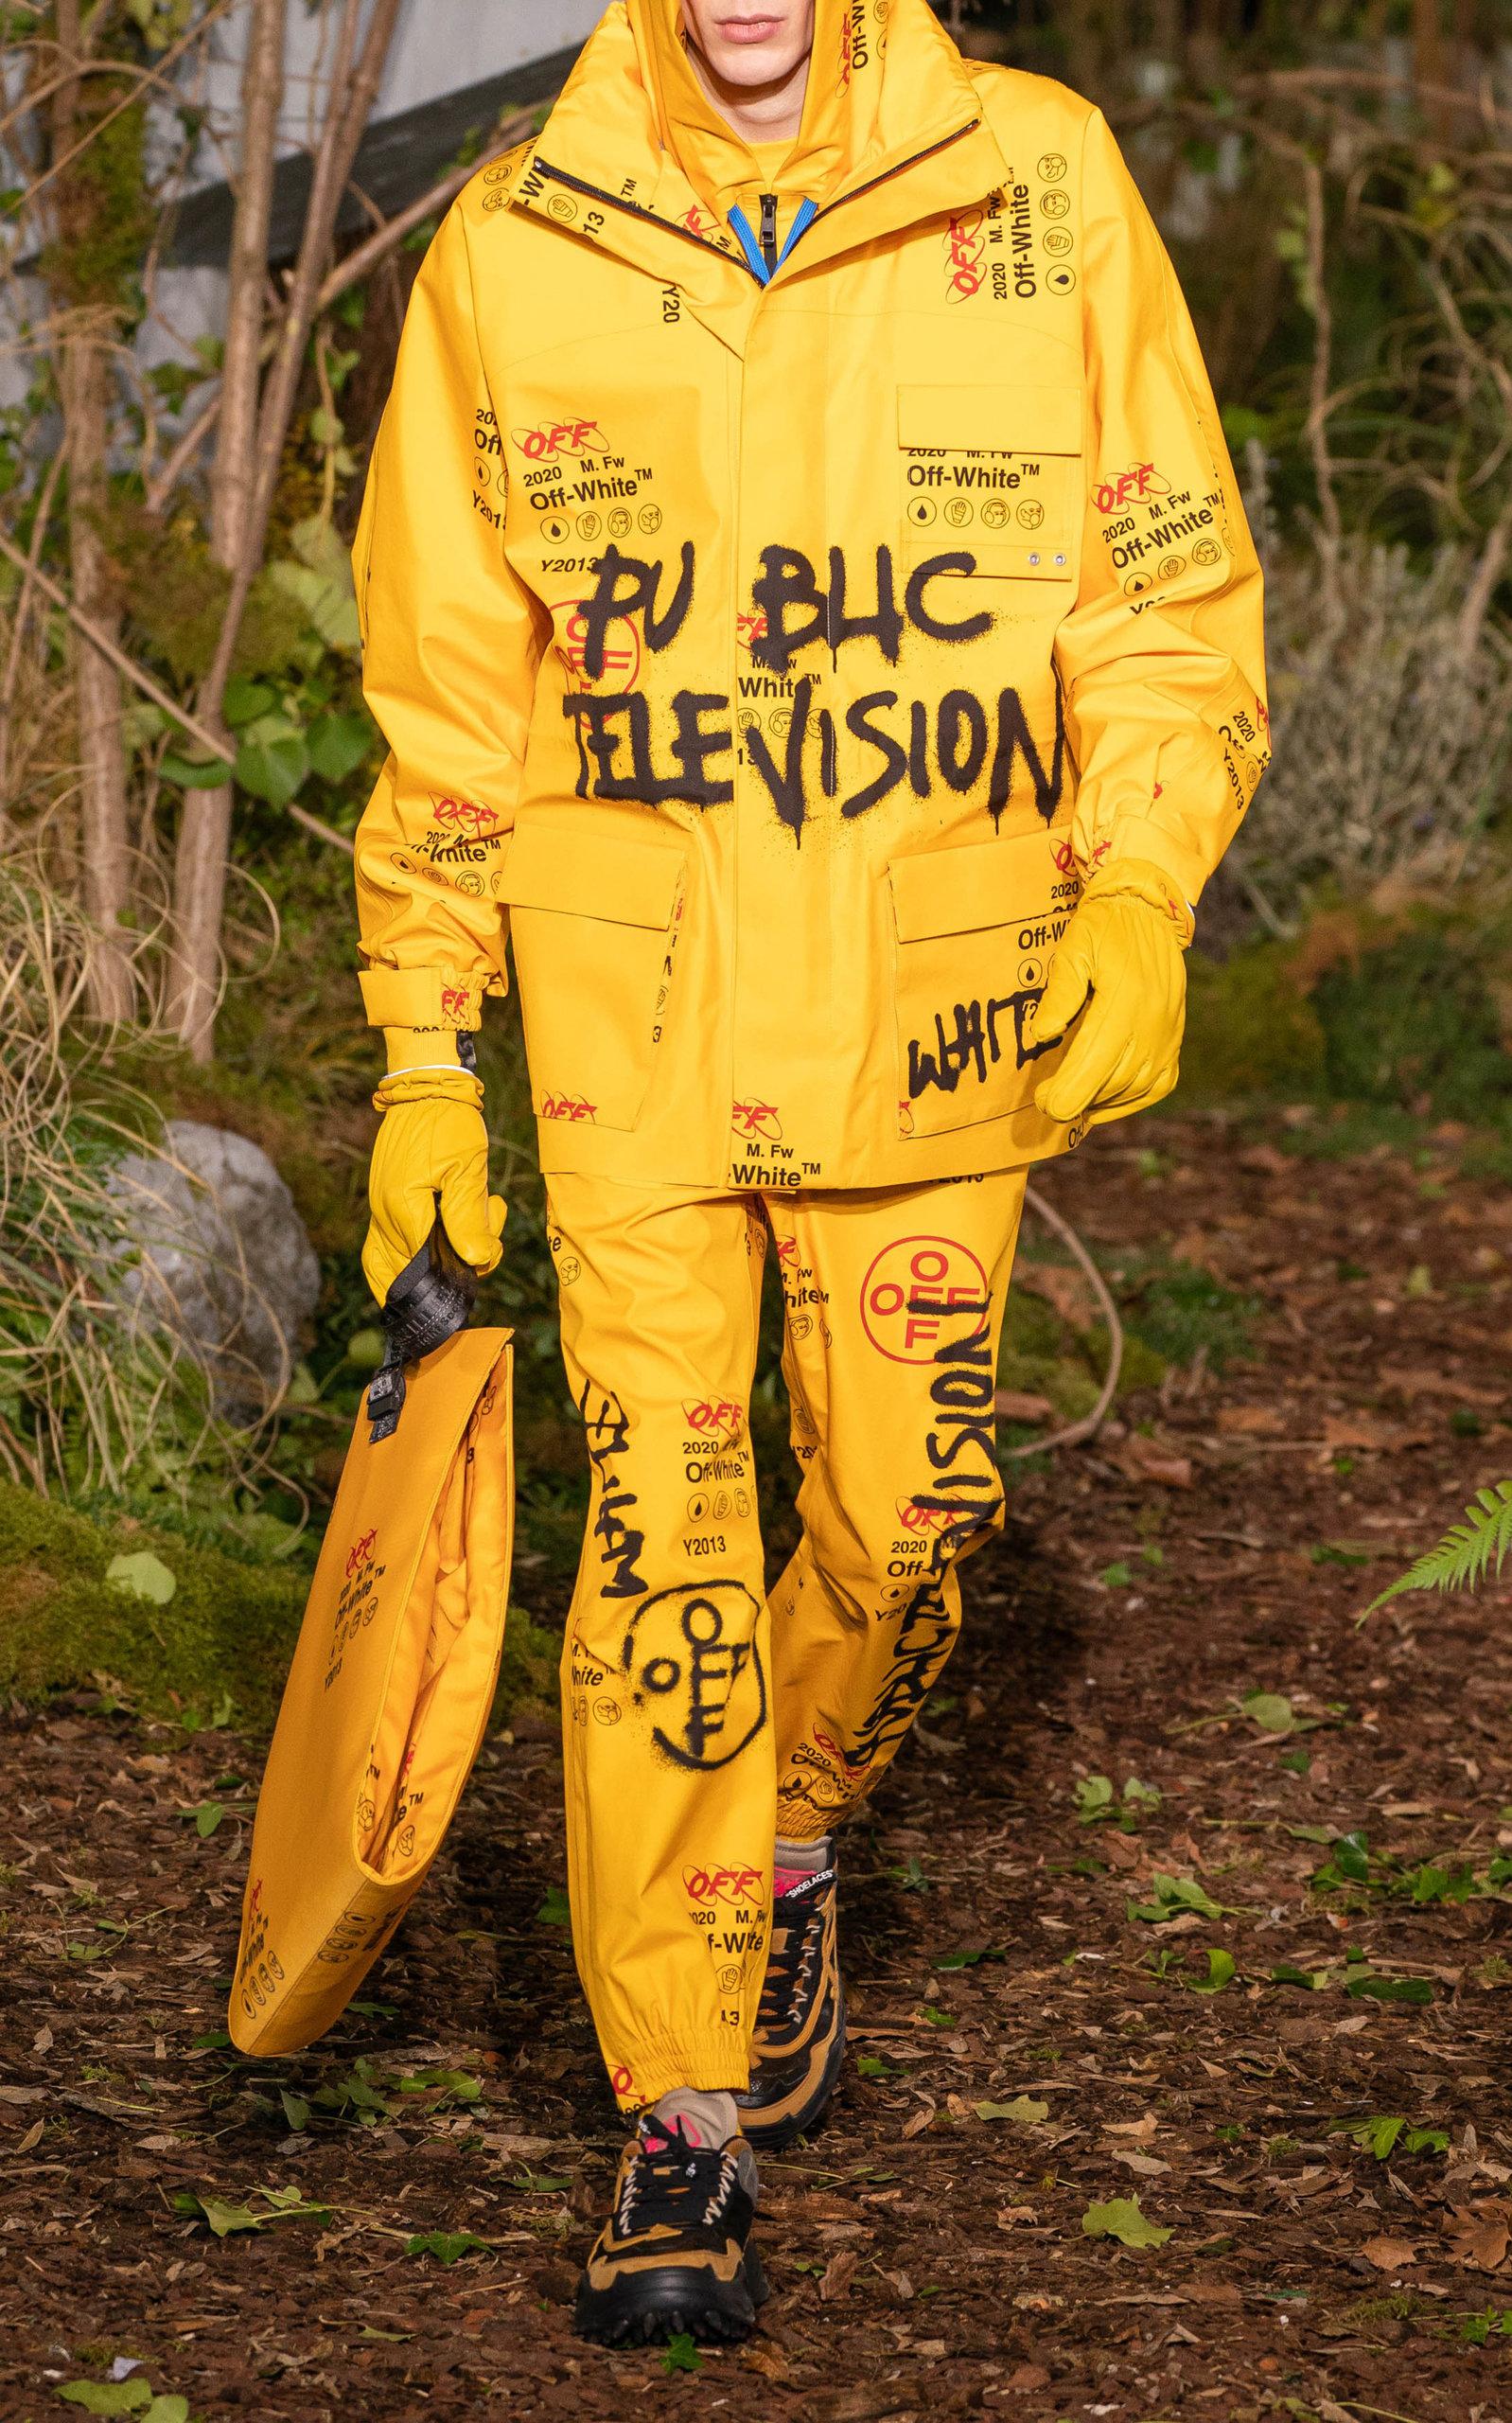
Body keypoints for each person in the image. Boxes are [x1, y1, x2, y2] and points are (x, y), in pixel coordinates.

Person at [350, 0, 1268, 2350]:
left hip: (929, 1007)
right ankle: (677, 2112)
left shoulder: (1037, 187)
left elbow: (1160, 600)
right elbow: (449, 703)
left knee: (912, 1522)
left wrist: (1141, 882)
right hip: (623, 1028)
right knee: (664, 1542)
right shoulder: (512, 244)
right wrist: (422, 1055)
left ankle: (794, 1814)